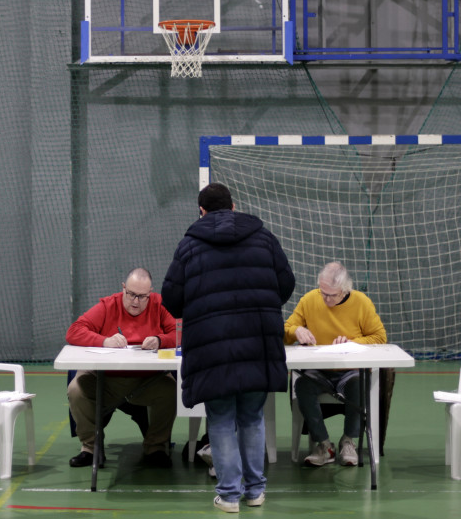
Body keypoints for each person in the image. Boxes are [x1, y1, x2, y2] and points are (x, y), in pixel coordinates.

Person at [162, 183, 295, 513]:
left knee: (220, 419)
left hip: (212, 349)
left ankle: (229, 495)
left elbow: (172, 300)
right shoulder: (264, 238)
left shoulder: (190, 246)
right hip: (257, 343)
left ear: (202, 211)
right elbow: (286, 283)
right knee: (252, 417)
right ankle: (255, 491)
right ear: (234, 206)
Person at [66, 267, 177, 469]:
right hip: (105, 380)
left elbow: (180, 332)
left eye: (142, 297)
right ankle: (90, 449)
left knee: (170, 390)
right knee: (76, 389)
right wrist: (104, 341)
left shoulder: (159, 305)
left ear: (150, 293)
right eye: (131, 294)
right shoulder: (108, 305)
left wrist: (161, 340)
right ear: (123, 288)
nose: (135, 301)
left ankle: (156, 448)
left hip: (147, 380)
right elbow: (74, 331)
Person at [284, 261, 387, 467]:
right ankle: (323, 444)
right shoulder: (309, 300)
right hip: (318, 371)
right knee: (302, 386)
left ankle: (348, 441)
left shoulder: (361, 302)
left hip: (348, 370)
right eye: (323, 293)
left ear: (345, 290)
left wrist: (352, 342)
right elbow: (287, 330)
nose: (326, 299)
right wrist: (296, 331)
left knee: (358, 384)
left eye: (332, 295)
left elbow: (379, 337)